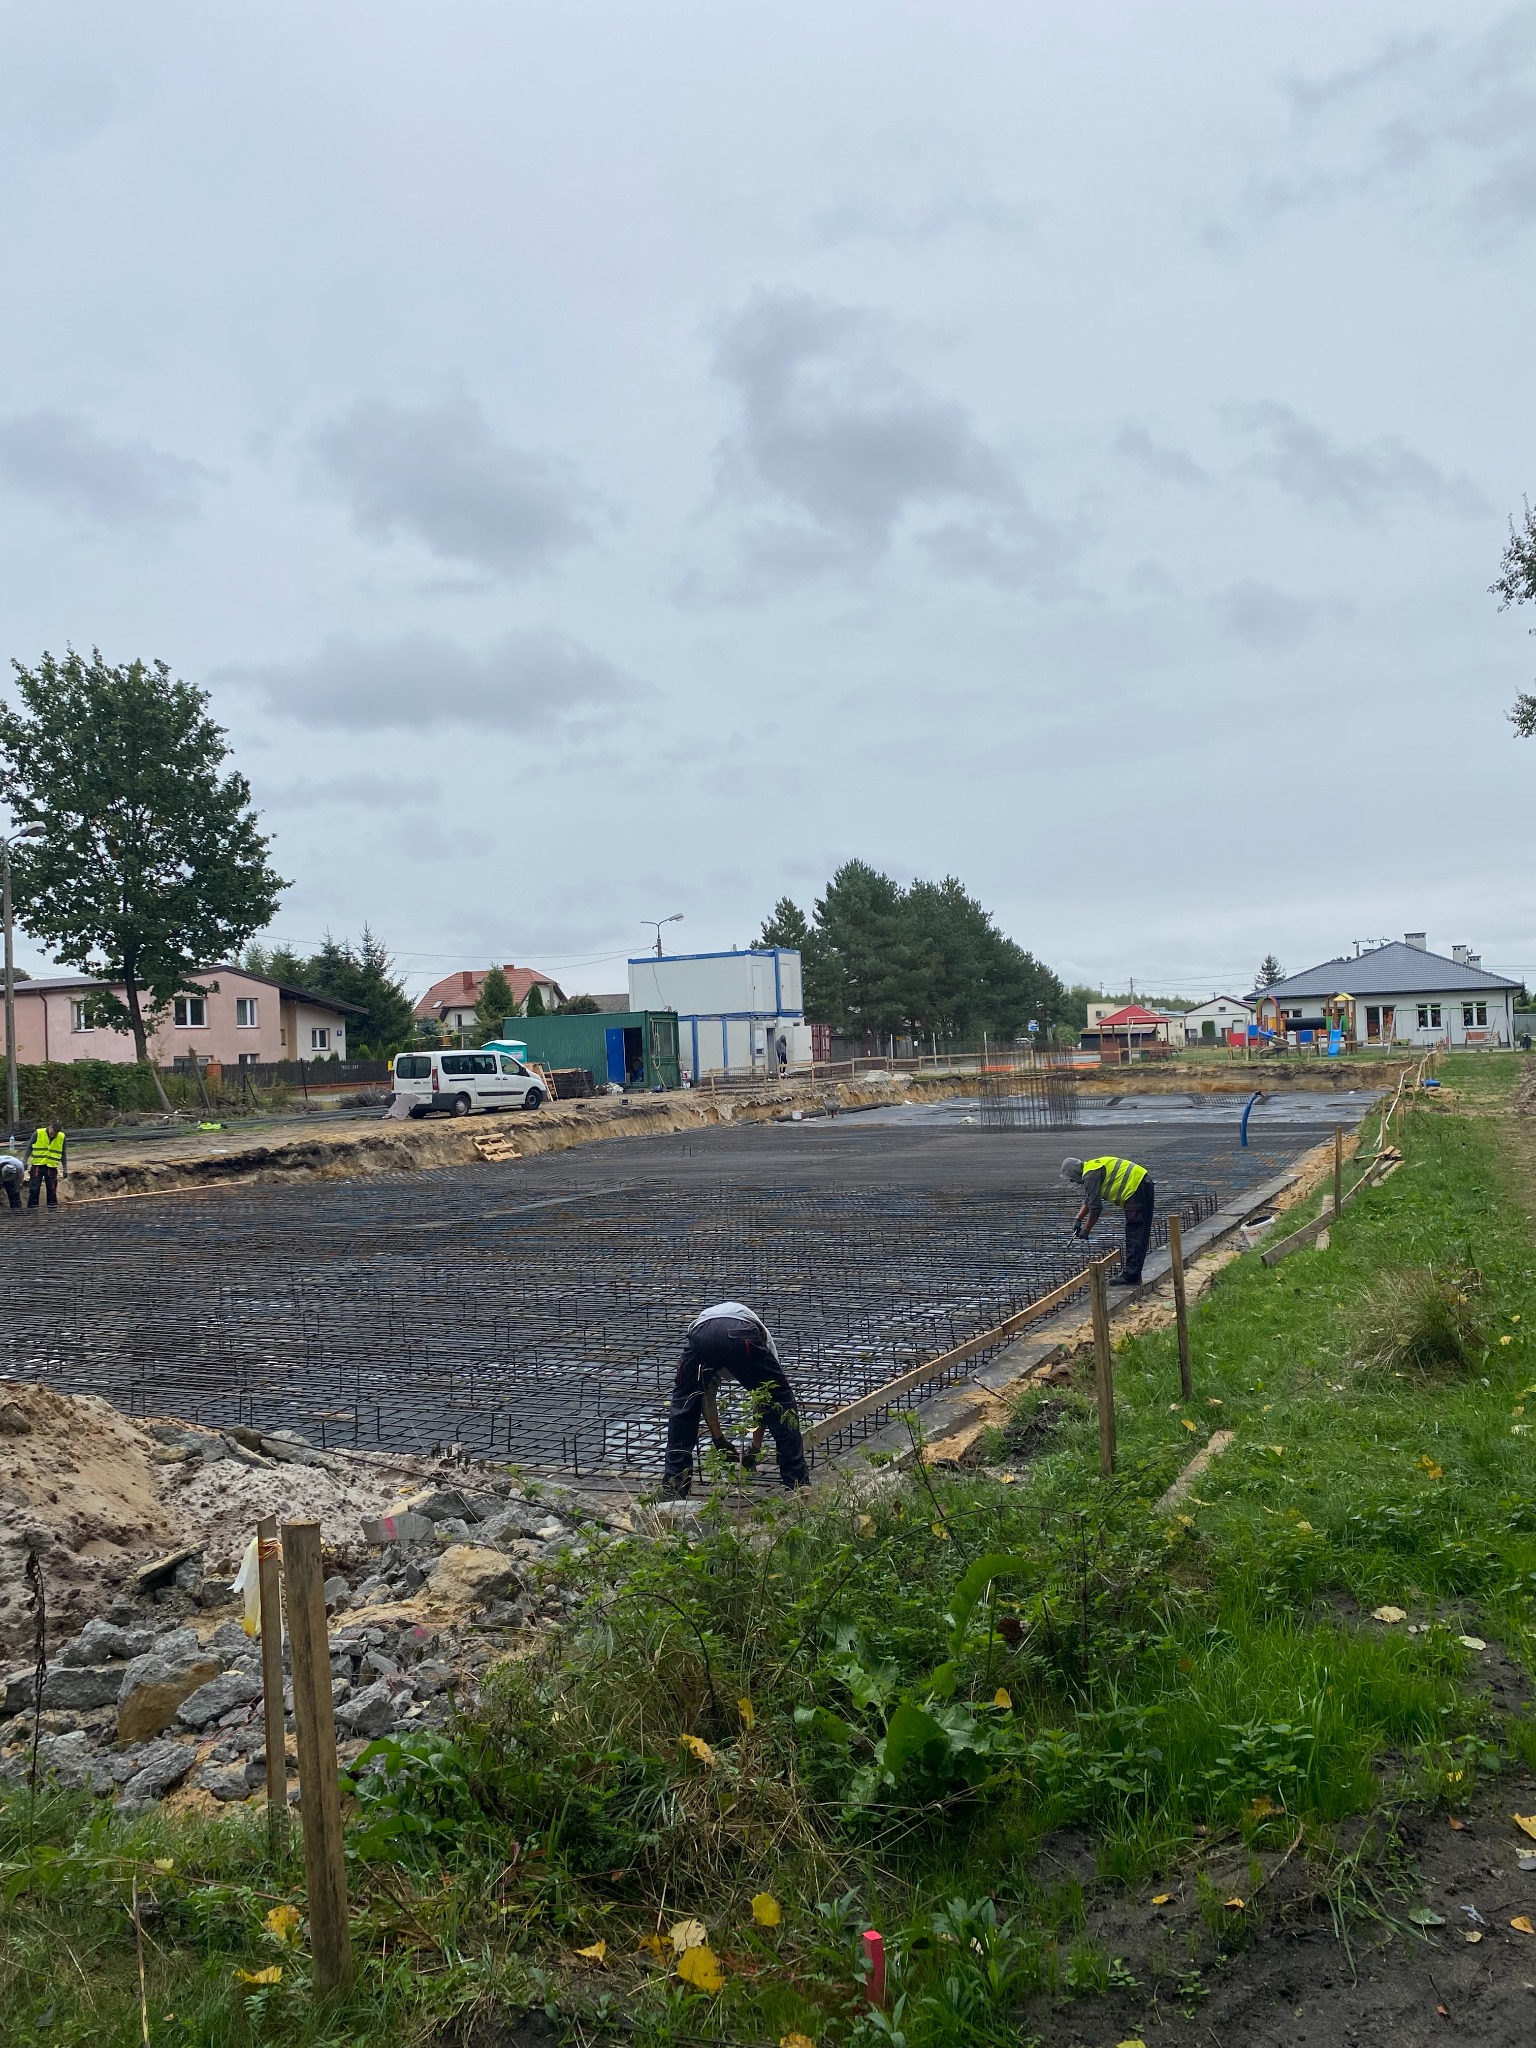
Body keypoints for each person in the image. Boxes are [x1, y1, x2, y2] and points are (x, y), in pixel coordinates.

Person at [661, 1300, 810, 1497]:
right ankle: (797, 1485)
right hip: (741, 1334)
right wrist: (754, 1447)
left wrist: (718, 1439)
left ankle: (673, 1490)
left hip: (701, 1336)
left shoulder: (716, 1340)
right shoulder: (762, 1343)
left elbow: (705, 1397)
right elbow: (763, 1400)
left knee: (684, 1408)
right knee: (780, 1404)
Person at [1061, 1154, 1154, 1287]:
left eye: (1071, 1179)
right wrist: (1078, 1219)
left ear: (1074, 1172)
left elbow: (1096, 1208)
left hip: (1137, 1188)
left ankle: (1131, 1276)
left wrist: (1086, 1230)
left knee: (1135, 1233)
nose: (1073, 1182)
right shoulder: (1091, 1168)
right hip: (1141, 1185)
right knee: (1138, 1232)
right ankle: (1133, 1274)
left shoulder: (1090, 1175)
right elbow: (1089, 1199)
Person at [27, 1120, 65, 1208]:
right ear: (50, 1127)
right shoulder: (38, 1133)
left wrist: (65, 1168)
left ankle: (52, 1212)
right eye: (52, 1132)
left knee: (52, 1191)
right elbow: (29, 1147)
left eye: (55, 1134)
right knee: (34, 1189)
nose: (53, 1135)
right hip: (37, 1166)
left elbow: (64, 1153)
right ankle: (32, 1211)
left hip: (51, 1167)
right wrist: (25, 1161)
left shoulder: (62, 1137)